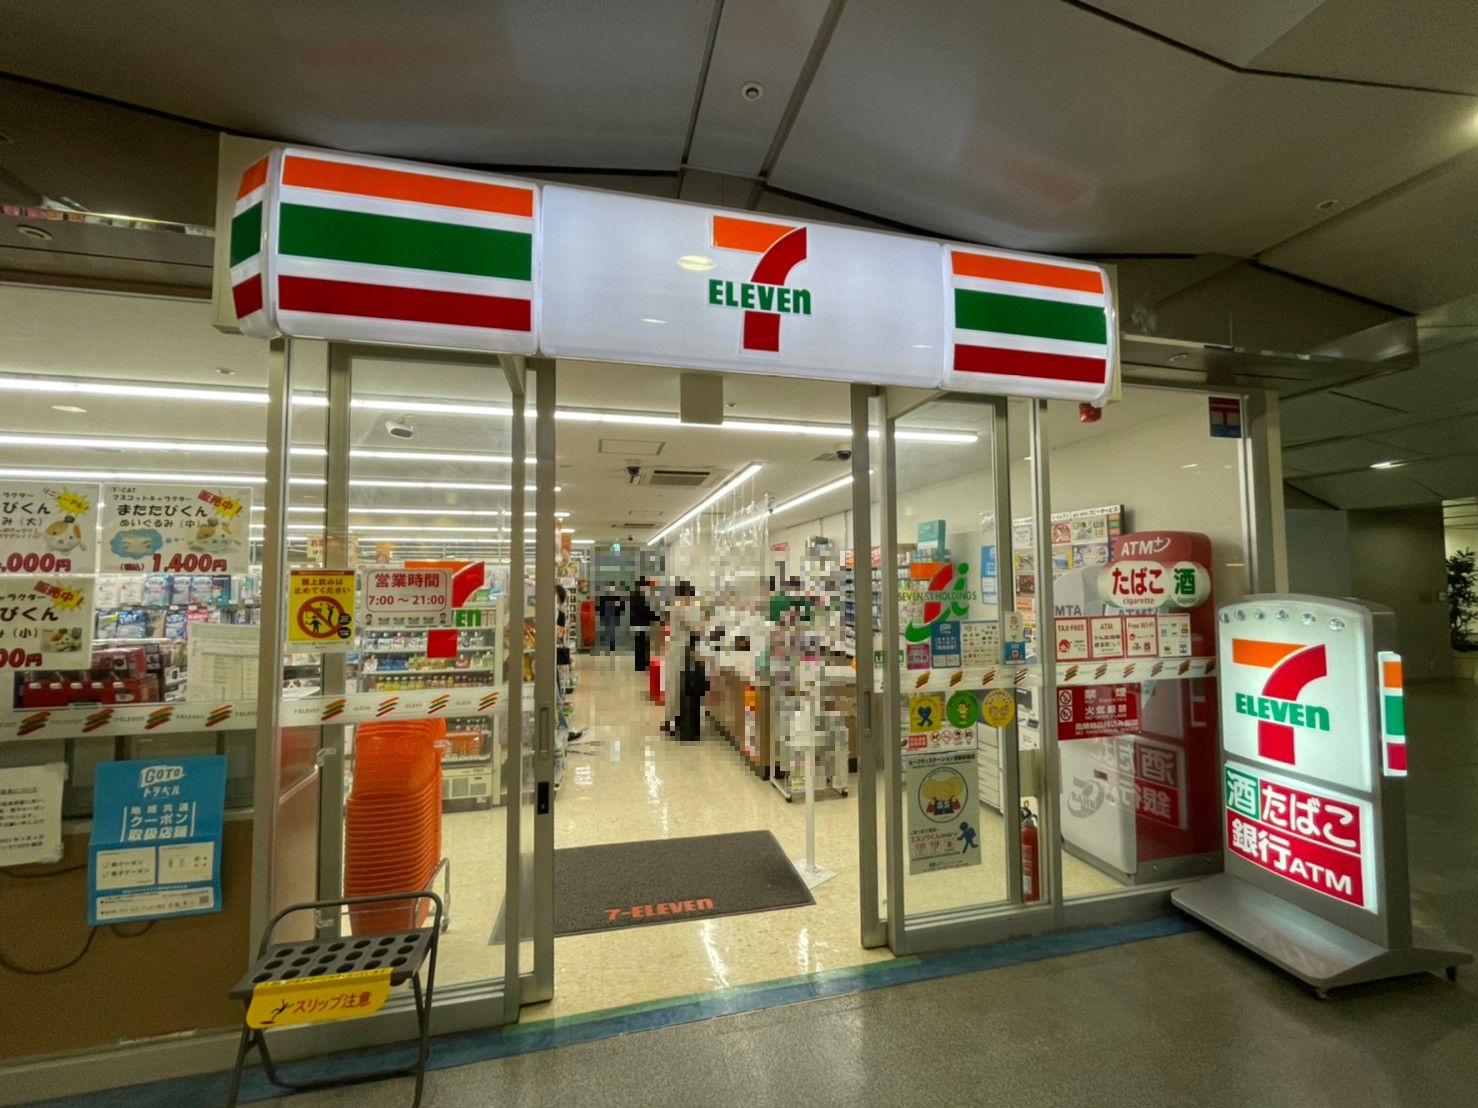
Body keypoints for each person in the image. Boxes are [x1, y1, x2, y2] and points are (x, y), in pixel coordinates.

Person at [629, 579, 653, 671]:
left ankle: (640, 664)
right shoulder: (641, 596)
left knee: (639, 644)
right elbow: (645, 611)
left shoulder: (634, 595)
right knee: (643, 645)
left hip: (636, 623)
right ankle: (643, 664)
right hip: (642, 623)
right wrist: (656, 617)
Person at [596, 583, 624, 654]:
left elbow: (620, 607)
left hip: (613, 616)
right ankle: (609, 646)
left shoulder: (616, 597)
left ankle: (611, 646)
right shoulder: (603, 598)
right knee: (607, 631)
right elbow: (598, 608)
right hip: (606, 616)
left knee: (612, 631)